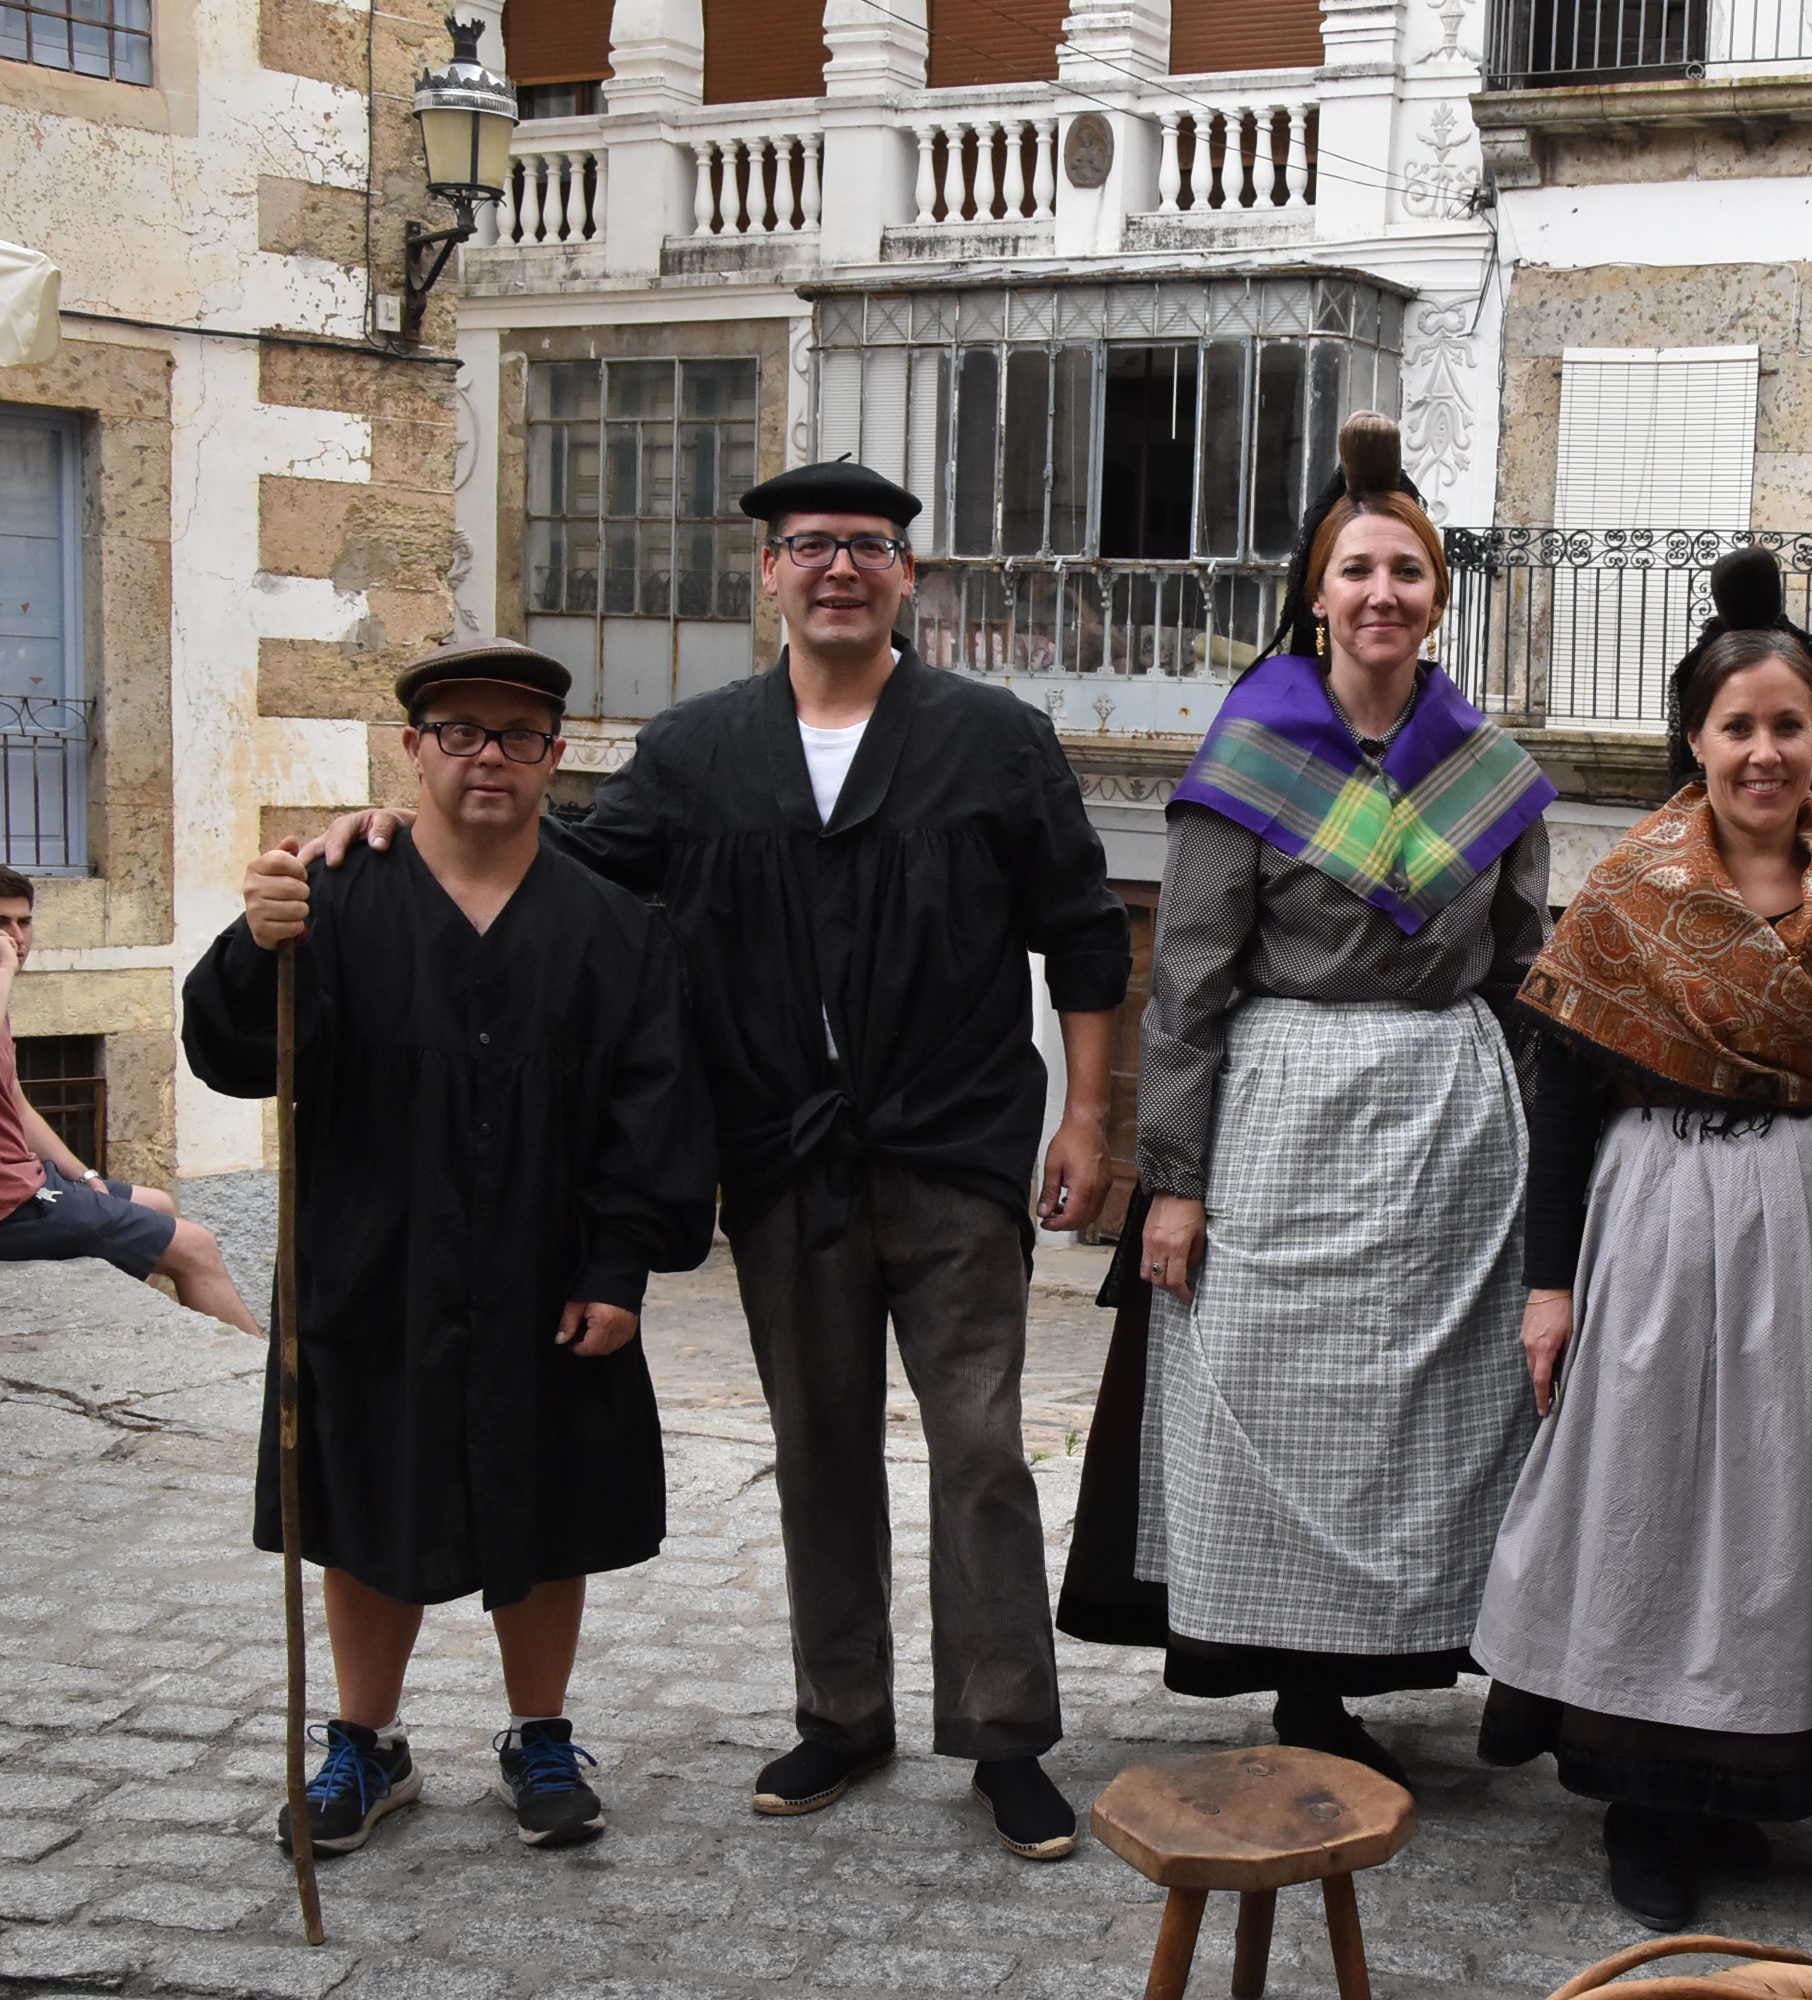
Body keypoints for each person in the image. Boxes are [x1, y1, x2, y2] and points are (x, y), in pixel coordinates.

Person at [311, 462, 1131, 1857]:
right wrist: (391, 832)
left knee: (982, 1446)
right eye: (808, 546)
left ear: (906, 575)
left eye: (867, 546)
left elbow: (1085, 930)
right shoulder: (697, 751)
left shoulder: (994, 738)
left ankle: (1004, 1734)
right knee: (818, 1445)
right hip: (779, 1154)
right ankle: (843, 1714)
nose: (837, 568)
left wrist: (1091, 1116)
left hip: (953, 1149)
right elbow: (562, 864)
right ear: (768, 573)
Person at [1054, 413, 1555, 1783]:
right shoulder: (1249, 758)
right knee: (1290, 1402)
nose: (1382, 593)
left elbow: (1524, 974)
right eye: (1357, 570)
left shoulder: (1487, 770)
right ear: (1317, 596)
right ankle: (1305, 1684)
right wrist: (1173, 1181)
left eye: (1407, 571)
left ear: (1436, 596)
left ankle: (1434, 1643)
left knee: (1436, 1406)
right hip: (1283, 1110)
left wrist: (1547, 1160)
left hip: (1451, 1112)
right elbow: (1186, 982)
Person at [1474, 554, 1812, 1932]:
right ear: (1696, 738)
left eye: (1788, 724)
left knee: (1791, 1498)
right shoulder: (1626, 895)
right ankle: (1640, 1798)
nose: (1763, 751)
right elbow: (1563, 1100)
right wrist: (1548, 1283)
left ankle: (1740, 1772)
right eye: (1737, 725)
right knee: (1653, 1494)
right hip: (1660, 1216)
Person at [184, 638, 716, 1855]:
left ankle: (541, 1734)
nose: (490, 756)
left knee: (549, 1502)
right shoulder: (330, 897)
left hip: (547, 1268)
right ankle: (365, 1742)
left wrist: (618, 1265)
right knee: (366, 1499)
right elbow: (232, 1053)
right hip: (372, 1263)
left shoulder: (614, 926)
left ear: (554, 755)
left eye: (518, 735)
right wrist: (253, 944)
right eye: (461, 731)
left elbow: (651, 1107)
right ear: (413, 748)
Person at [0, 866, 257, 1334]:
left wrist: (85, 1174)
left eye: (24, 922)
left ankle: (141, 1332)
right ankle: (266, 1378)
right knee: (196, 1247)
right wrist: (1, 973)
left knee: (158, 1203)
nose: (16, 939)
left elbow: (14, 1099)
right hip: (10, 1207)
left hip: (28, 1181)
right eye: (1, 924)